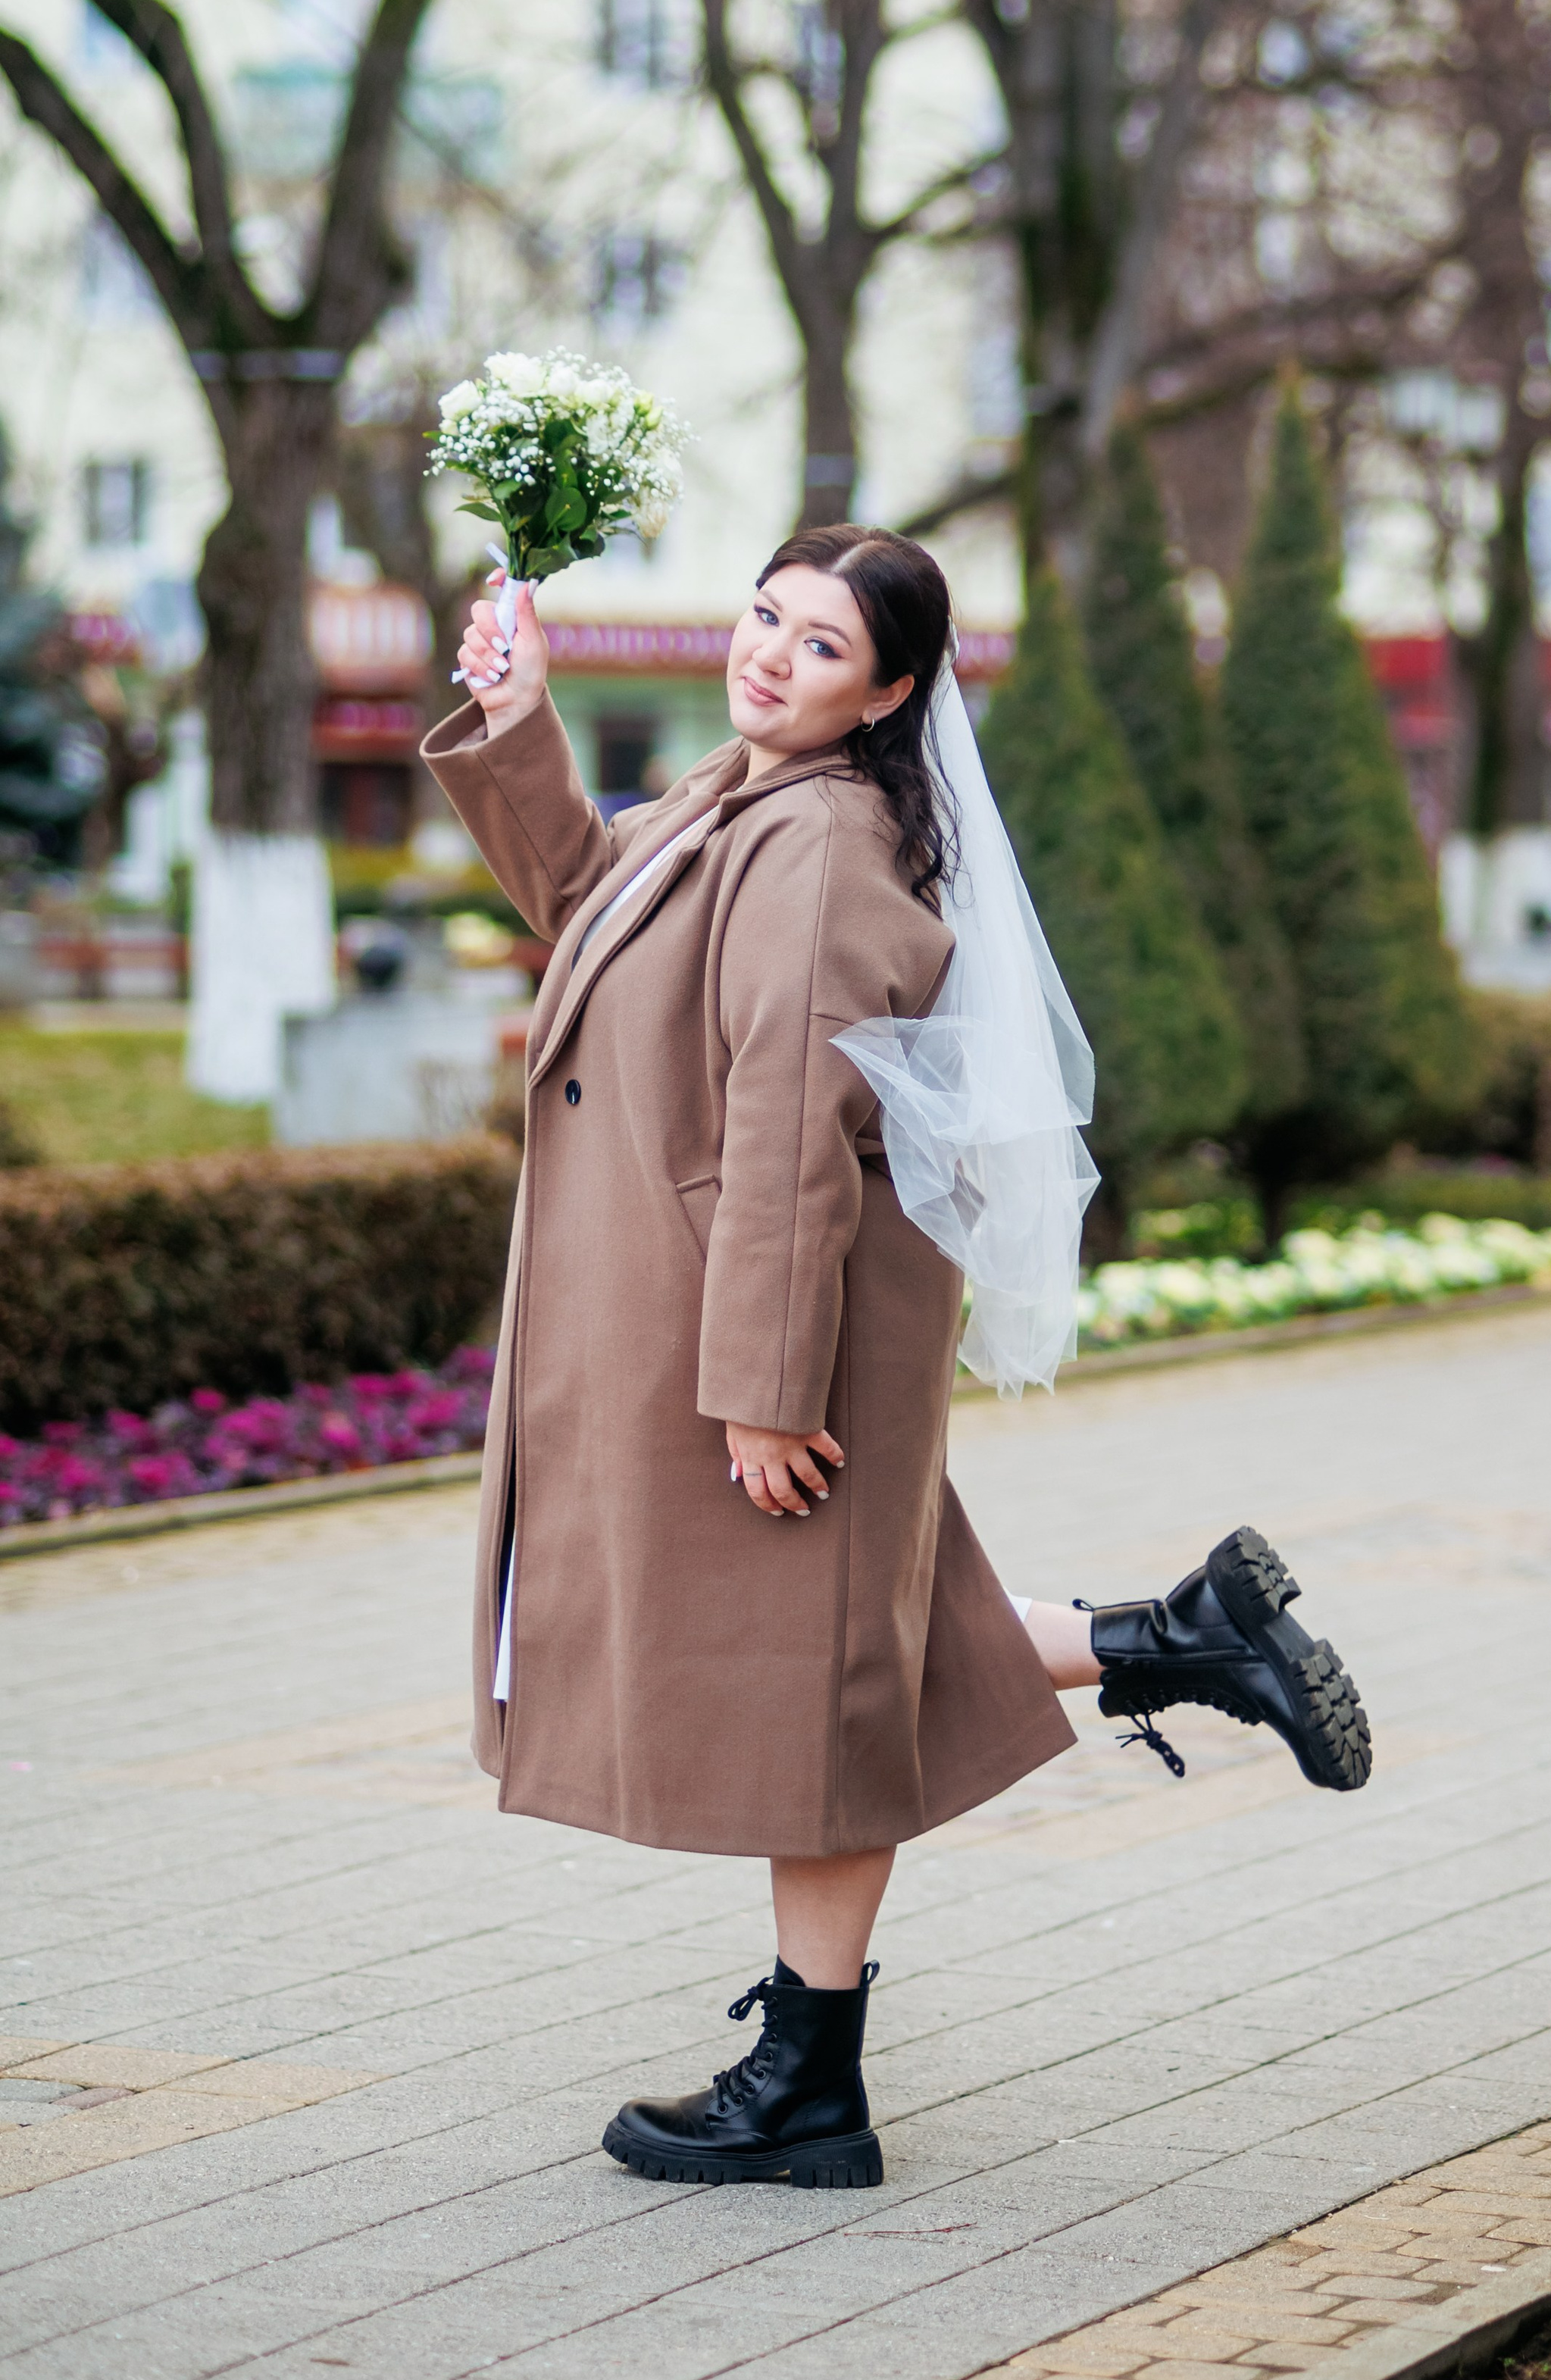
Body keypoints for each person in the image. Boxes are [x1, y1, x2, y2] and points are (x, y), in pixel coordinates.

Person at [422, 524, 1369, 2194]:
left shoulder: (825, 844)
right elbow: (586, 905)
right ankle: (1182, 1634)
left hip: (759, 1329)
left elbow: (796, 1114)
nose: (771, 656)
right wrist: (517, 720)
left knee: (819, 1686)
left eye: (820, 647)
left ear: (893, 692)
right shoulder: (741, 795)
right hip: (726, 1312)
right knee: (847, 1656)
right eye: (763, 619)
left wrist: (761, 1388)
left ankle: (808, 2081)